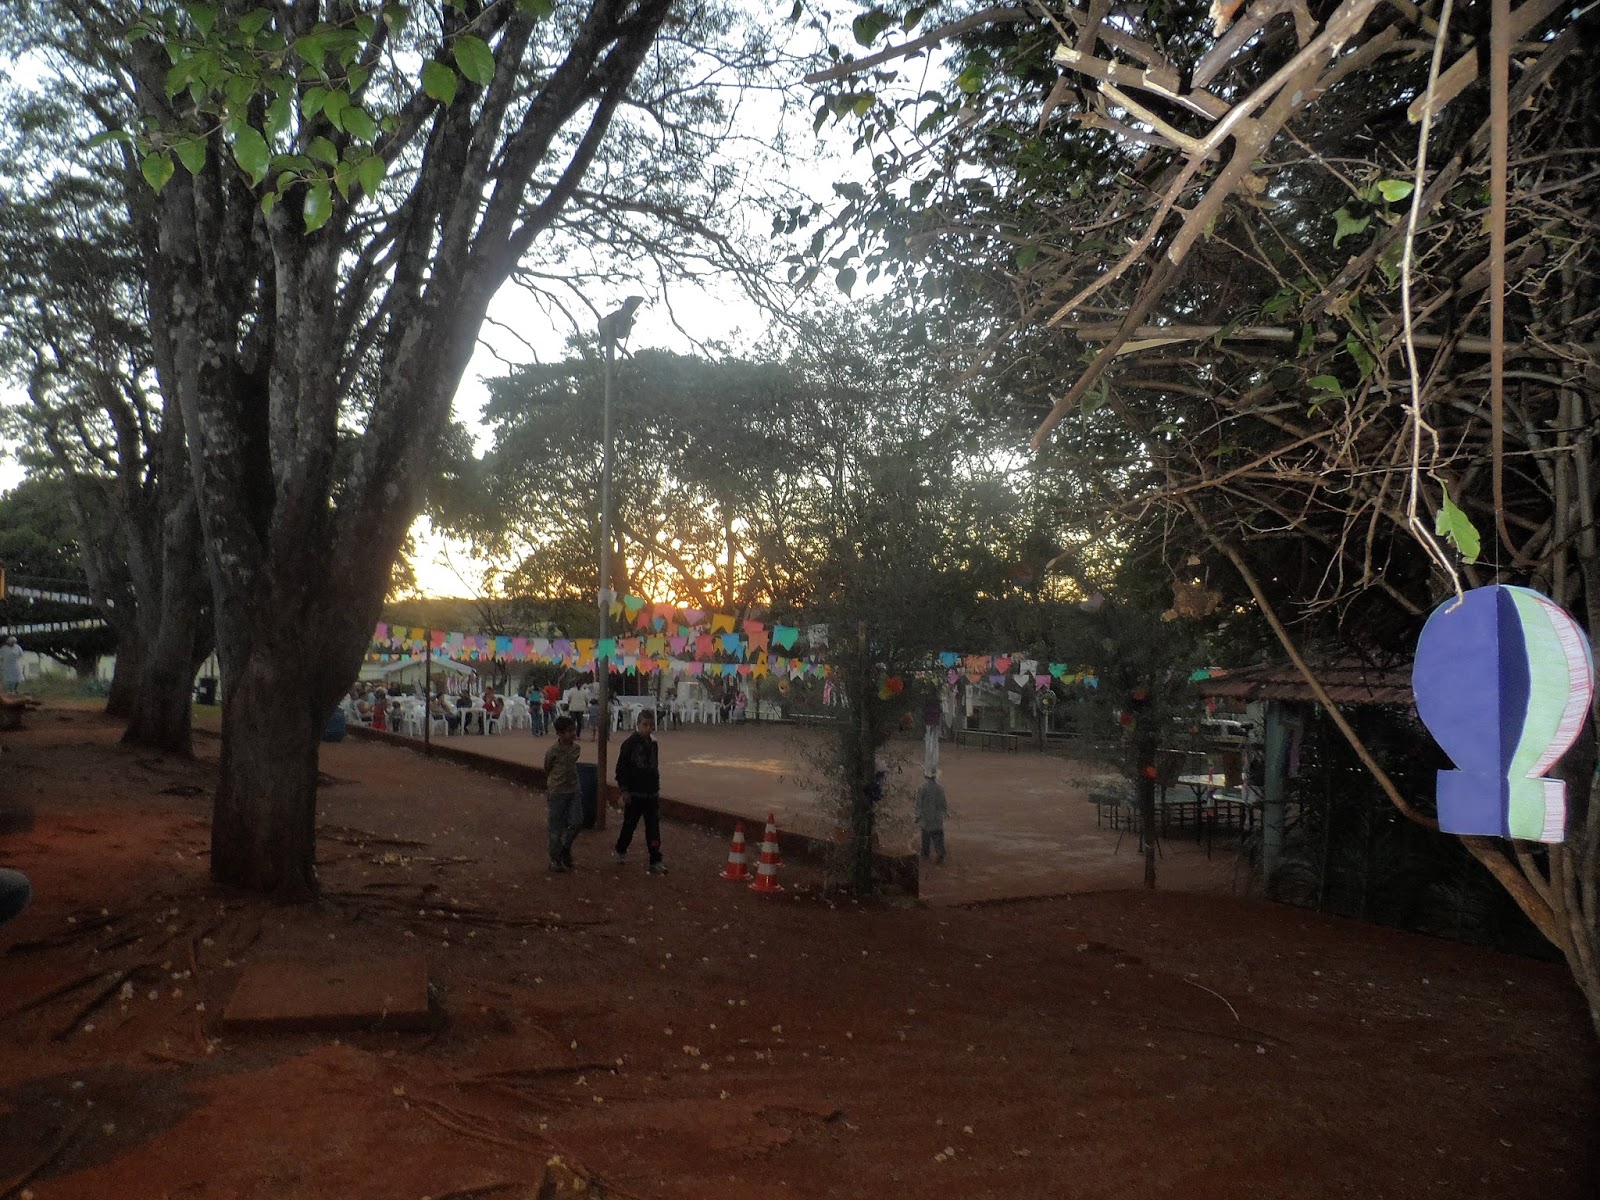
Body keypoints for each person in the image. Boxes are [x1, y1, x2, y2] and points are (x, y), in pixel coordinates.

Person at [614, 711, 665, 874]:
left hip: (651, 793)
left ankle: (655, 859)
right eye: (645, 725)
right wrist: (624, 790)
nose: (648, 728)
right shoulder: (629, 744)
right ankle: (621, 849)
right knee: (629, 826)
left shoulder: (653, 744)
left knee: (653, 829)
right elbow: (621, 768)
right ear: (638, 725)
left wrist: (655, 787)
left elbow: (654, 767)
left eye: (651, 725)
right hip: (635, 793)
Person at [542, 716, 583, 872]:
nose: (573, 734)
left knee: (577, 821)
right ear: (560, 733)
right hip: (557, 791)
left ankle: (565, 848)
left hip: (573, 789)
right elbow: (547, 767)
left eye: (574, 730)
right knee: (556, 826)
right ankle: (555, 858)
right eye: (569, 731)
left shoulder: (576, 749)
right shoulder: (553, 751)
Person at [915, 769, 948, 865]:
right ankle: (940, 853)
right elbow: (943, 803)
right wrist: (943, 813)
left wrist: (917, 816)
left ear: (925, 776)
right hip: (937, 817)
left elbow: (919, 803)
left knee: (925, 837)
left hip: (926, 817)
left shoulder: (922, 787)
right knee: (938, 836)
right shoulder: (940, 788)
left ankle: (925, 854)